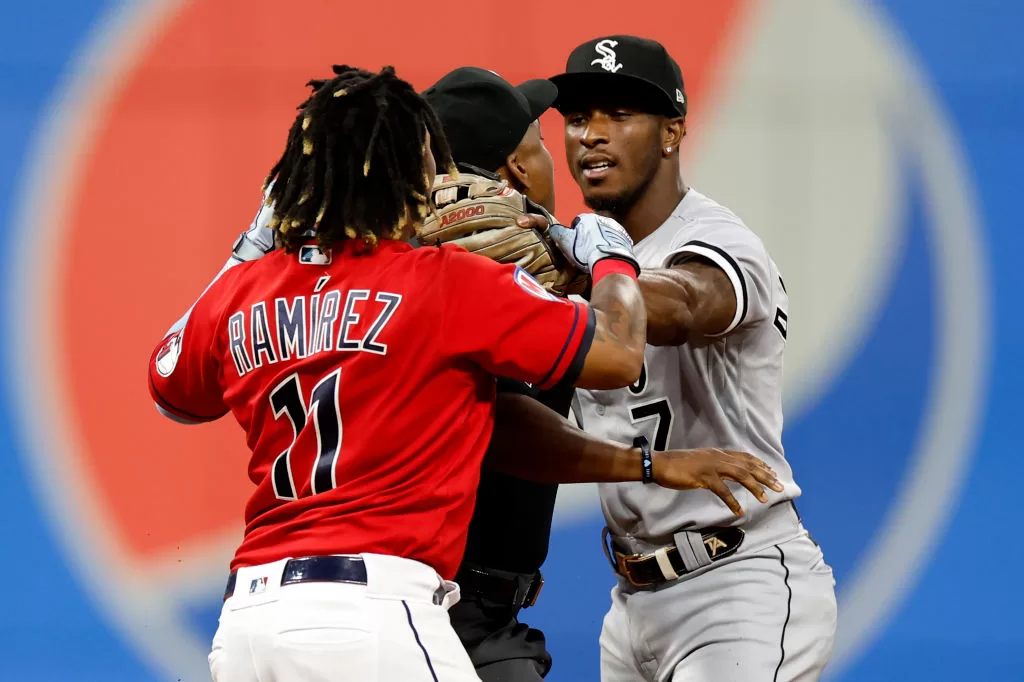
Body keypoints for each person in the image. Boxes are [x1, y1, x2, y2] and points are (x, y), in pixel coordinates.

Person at [147, 63, 651, 682]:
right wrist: (609, 256)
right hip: (376, 611)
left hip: (250, 623)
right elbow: (621, 353)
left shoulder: (247, 290)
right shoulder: (443, 282)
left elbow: (172, 391)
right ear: (410, 173)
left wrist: (250, 246)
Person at [419, 66, 786, 682]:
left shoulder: (389, 277)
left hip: (356, 599)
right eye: (565, 126)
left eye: (617, 117)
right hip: (447, 609)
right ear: (515, 168)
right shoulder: (508, 285)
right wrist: (607, 265)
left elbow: (693, 301)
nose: (586, 138)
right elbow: (604, 362)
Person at [544, 35, 840, 681]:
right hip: (631, 602)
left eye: (620, 115)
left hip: (737, 585)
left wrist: (594, 275)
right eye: (577, 118)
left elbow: (681, 305)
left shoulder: (715, 238)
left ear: (673, 131)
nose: (592, 135)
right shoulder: (578, 263)